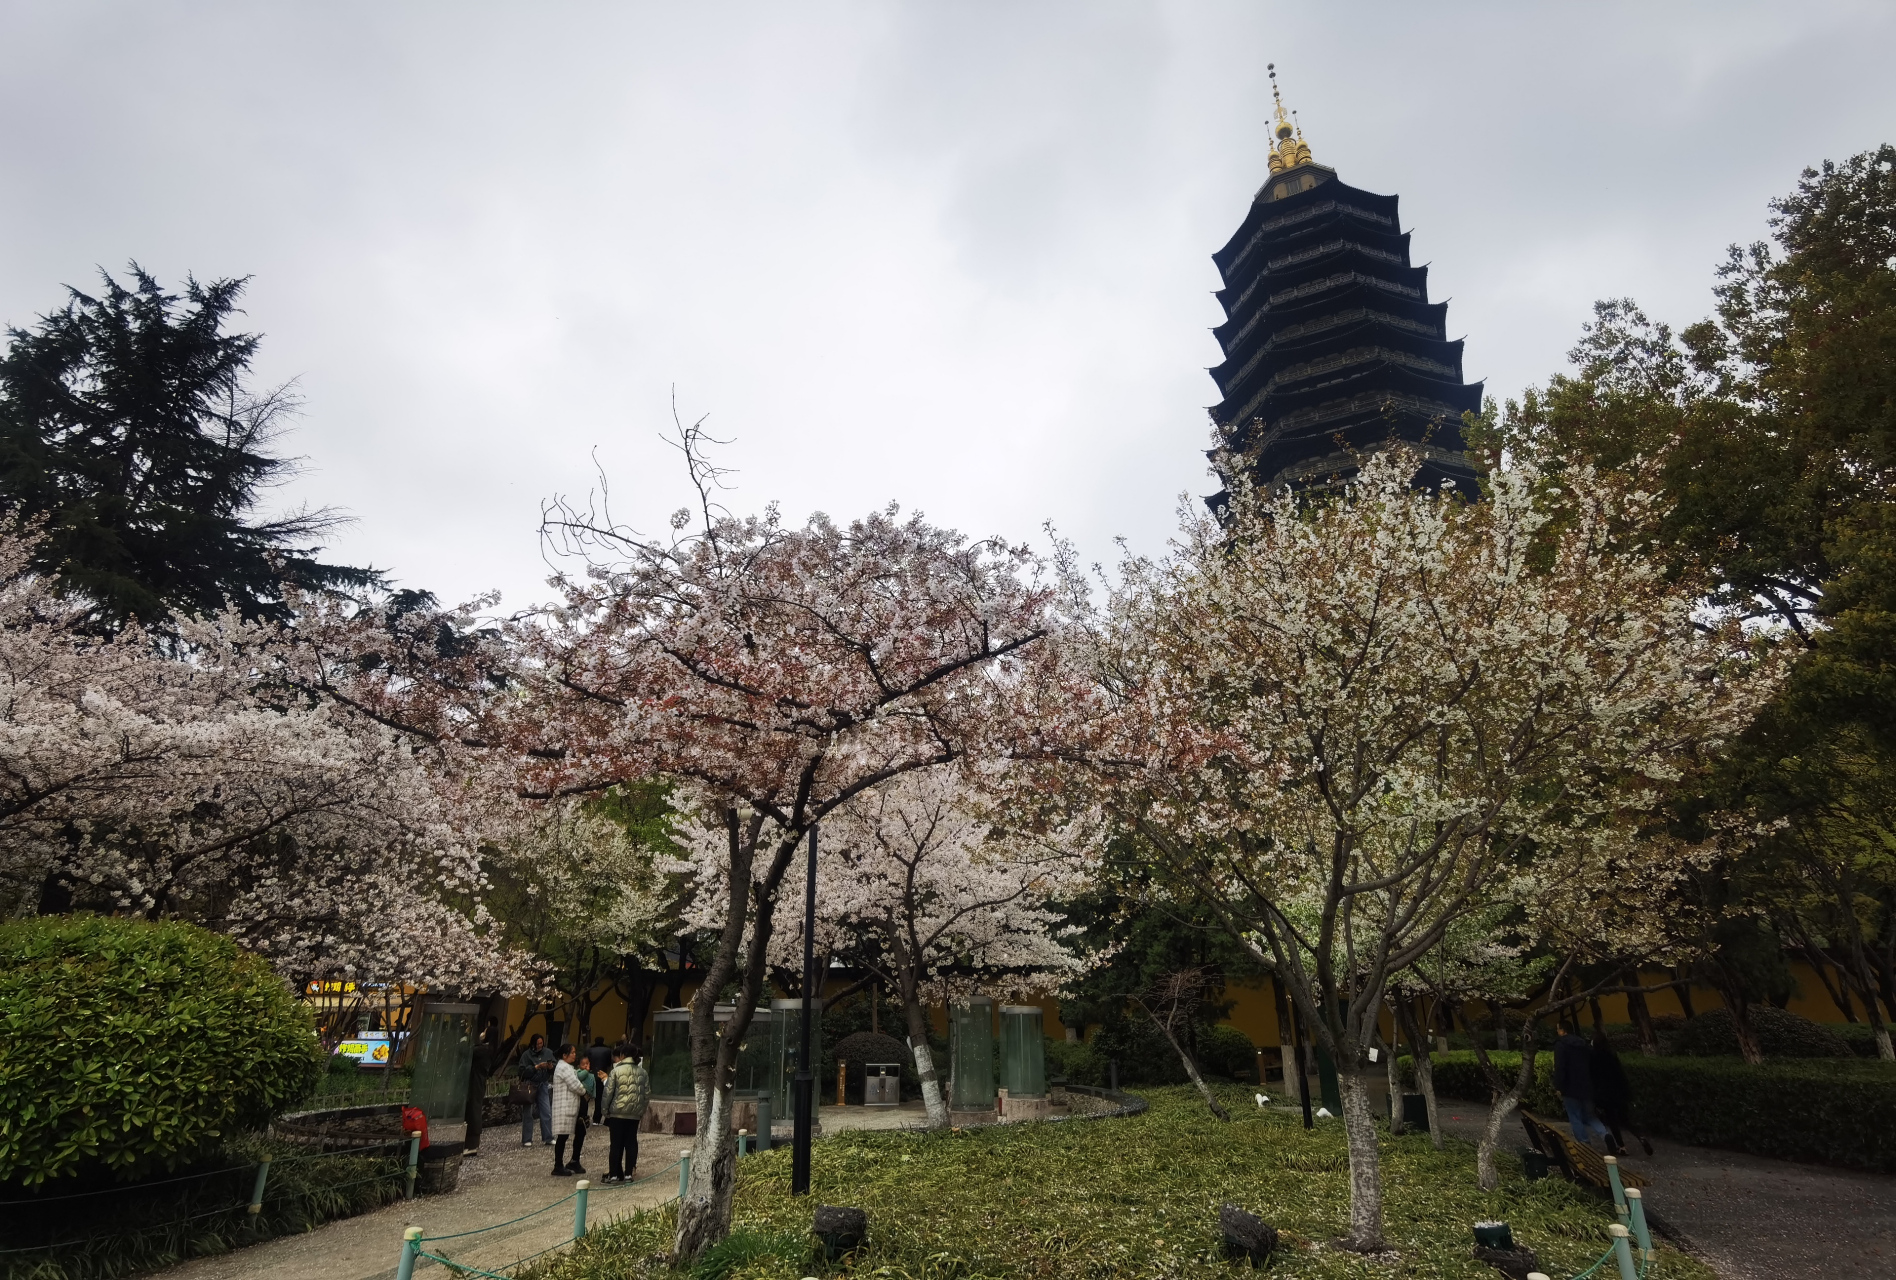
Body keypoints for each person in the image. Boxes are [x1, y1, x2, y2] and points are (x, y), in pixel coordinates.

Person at [1590, 1029, 1651, 1157]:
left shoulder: (1594, 1057)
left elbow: (1594, 1077)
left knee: (1612, 1120)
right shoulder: (1612, 1054)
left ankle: (1622, 1146)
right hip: (1620, 1092)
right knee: (1625, 1119)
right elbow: (1621, 1074)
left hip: (1606, 1094)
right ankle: (1640, 1136)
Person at [1553, 1021, 1611, 1150]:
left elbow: (1560, 1067)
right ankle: (1605, 1134)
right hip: (1587, 1085)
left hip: (1570, 1087)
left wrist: (1559, 1086)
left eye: (1558, 1029)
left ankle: (1584, 1144)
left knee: (1575, 1116)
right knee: (1590, 1115)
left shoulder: (1561, 1044)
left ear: (1562, 1030)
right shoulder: (1583, 1044)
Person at [602, 1041, 650, 1183]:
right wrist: (641, 1110)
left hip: (617, 1113)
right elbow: (646, 1094)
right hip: (634, 1115)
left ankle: (614, 1175)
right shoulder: (643, 1072)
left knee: (616, 1144)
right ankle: (629, 1173)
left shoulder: (615, 1071)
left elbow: (608, 1093)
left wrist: (605, 1110)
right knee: (631, 1142)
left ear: (622, 1055)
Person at [549, 1043, 590, 1176]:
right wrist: (584, 1091)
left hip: (571, 1105)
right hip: (565, 1106)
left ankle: (574, 1160)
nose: (574, 1055)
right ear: (564, 1055)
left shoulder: (566, 1067)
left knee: (579, 1131)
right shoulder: (563, 1068)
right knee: (563, 1135)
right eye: (572, 1053)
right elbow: (575, 1085)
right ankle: (558, 1165)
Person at [517, 1033, 557, 1146]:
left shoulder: (548, 1052)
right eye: (538, 1043)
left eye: (541, 1043)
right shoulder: (526, 1055)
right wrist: (535, 1067)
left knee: (546, 1111)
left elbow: (555, 1065)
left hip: (543, 1084)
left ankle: (548, 1137)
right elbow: (521, 1071)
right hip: (529, 1084)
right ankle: (527, 1139)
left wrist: (550, 1067)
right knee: (528, 1113)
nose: (540, 1045)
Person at [465, 1038, 497, 1157]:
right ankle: (471, 1143)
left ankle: (471, 1144)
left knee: (473, 1111)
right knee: (473, 1111)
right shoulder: (485, 1052)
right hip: (477, 1084)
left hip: (475, 1085)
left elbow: (469, 1052)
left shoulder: (482, 1051)